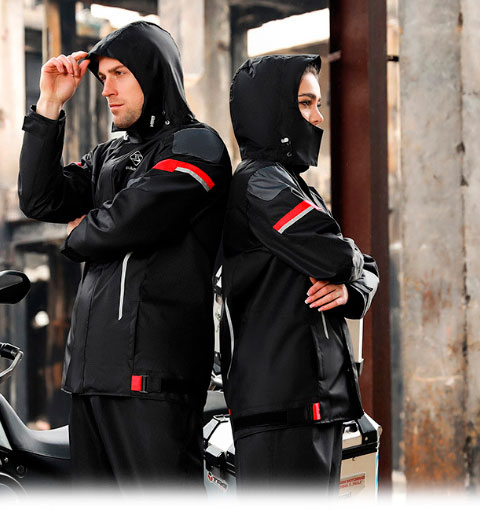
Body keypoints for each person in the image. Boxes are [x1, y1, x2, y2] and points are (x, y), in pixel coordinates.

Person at [18, 21, 231, 489]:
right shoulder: (108, 155)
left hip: (154, 381)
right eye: (102, 78)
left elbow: (129, 219)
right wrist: (50, 105)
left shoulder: (197, 145)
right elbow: (39, 199)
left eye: (119, 74)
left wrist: (79, 232)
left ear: (154, 73)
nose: (106, 90)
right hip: (90, 380)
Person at [220, 54, 379, 492]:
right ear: (272, 110)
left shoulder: (295, 186)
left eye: (318, 104)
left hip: (314, 407)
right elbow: (339, 257)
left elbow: (366, 268)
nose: (318, 117)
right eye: (306, 103)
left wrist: (350, 291)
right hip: (280, 413)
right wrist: (350, 263)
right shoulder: (260, 182)